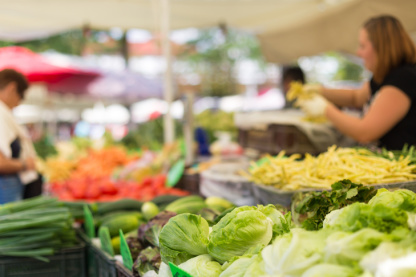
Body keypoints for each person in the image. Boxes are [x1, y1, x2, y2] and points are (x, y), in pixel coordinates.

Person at [297, 15, 416, 150]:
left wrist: (325, 110)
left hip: (398, 165)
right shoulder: (384, 76)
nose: (358, 53)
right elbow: (356, 97)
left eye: (362, 46)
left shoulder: (403, 79)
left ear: (381, 47)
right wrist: (319, 90)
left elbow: (364, 132)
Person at [0, 69, 38, 204]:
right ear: (12, 88)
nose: (19, 103)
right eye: (21, 96)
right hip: (5, 190)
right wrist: (25, 164)